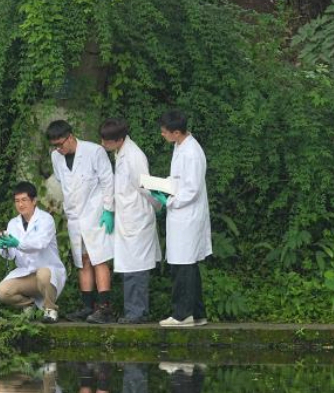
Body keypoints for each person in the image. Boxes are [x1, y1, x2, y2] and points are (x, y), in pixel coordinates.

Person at [46, 120, 116, 322]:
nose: (58, 149)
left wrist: (108, 210)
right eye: (55, 146)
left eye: (60, 144)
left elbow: (108, 181)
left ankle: (105, 308)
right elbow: (64, 182)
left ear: (70, 136)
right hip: (75, 217)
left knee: (99, 258)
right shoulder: (56, 157)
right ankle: (87, 306)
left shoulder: (94, 152)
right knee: (82, 260)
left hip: (96, 214)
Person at [97, 118, 161, 324]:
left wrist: (158, 205)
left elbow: (146, 186)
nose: (103, 145)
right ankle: (133, 311)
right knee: (129, 267)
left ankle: (137, 313)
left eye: (106, 141)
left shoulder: (134, 156)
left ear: (119, 139)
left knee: (136, 268)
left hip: (138, 219)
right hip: (127, 218)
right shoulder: (120, 152)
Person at [153, 110, 211, 328]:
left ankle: (182, 315)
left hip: (187, 215)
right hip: (180, 216)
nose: (162, 135)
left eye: (165, 132)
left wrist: (169, 201)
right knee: (186, 264)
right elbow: (178, 179)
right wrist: (161, 187)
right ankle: (197, 313)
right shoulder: (180, 147)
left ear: (176, 132)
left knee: (183, 266)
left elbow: (192, 190)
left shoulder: (192, 153)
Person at [0, 182, 67, 323]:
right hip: (27, 274)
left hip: (47, 273)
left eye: (24, 200)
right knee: (1, 292)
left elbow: (40, 244)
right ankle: (28, 306)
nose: (20, 205)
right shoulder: (13, 223)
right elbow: (10, 255)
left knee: (43, 274)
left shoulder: (46, 219)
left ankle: (50, 310)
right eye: (17, 201)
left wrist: (17, 243)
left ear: (34, 201)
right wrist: (4, 247)